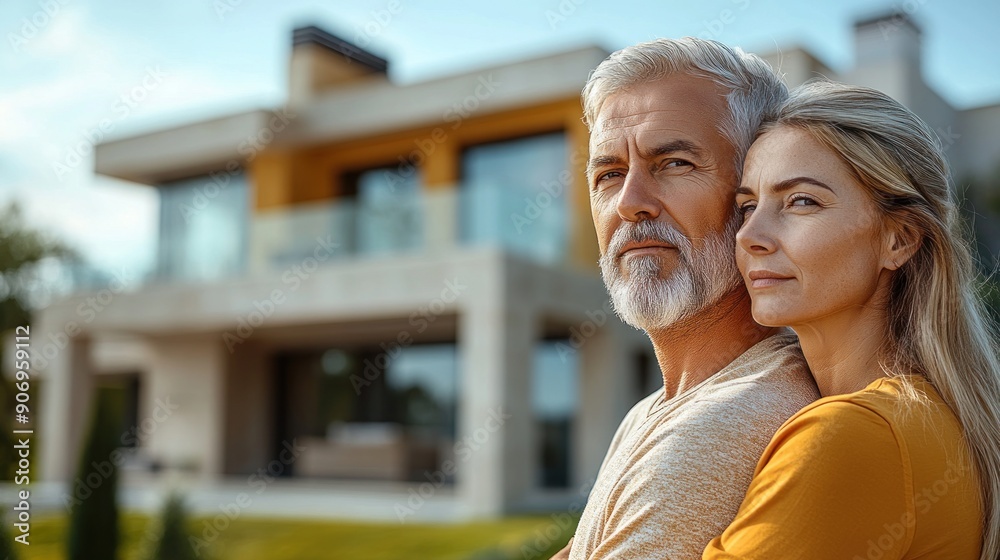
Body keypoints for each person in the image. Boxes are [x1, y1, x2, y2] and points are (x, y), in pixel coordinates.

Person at [703, 80, 1000, 559]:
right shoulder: (920, 417)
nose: (749, 235)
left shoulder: (854, 435)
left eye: (802, 201)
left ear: (898, 240)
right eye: (747, 206)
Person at [551, 38, 820, 560]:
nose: (630, 203)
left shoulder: (723, 425)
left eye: (674, 163)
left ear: (756, 191)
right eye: (609, 174)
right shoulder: (653, 410)